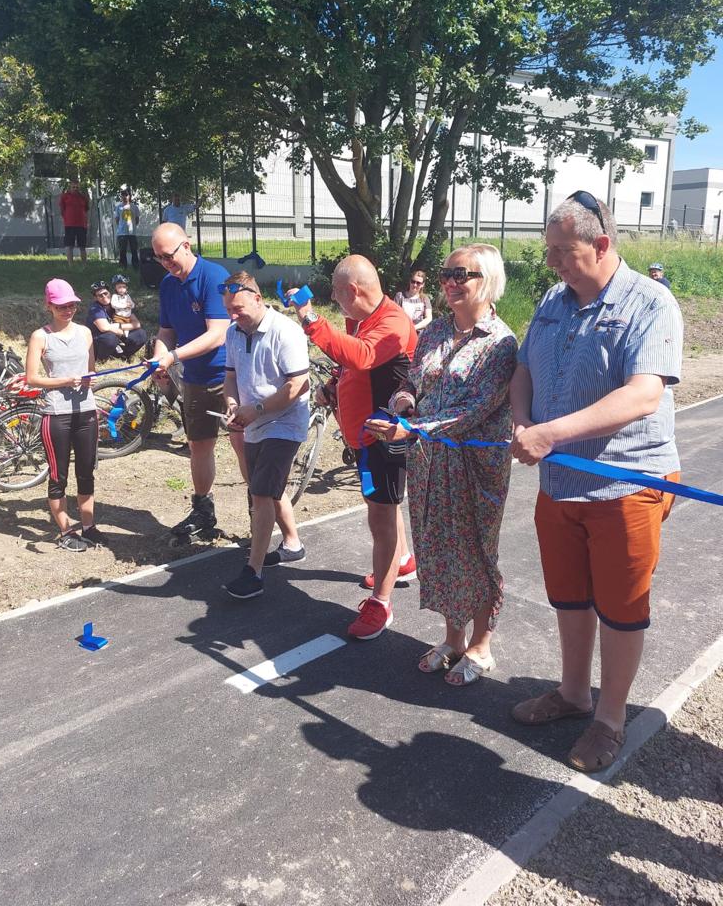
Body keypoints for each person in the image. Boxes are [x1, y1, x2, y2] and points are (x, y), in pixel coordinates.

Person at [509, 191, 683, 773]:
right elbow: (524, 371)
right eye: (549, 251)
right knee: (570, 597)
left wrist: (550, 433)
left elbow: (644, 393)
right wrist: (522, 422)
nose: (552, 262)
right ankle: (573, 692)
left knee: (621, 607)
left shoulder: (649, 302)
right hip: (559, 486)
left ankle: (610, 719)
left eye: (563, 251)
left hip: (624, 485)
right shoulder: (552, 302)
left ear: (601, 244)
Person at [366, 245, 516, 684]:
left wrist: (410, 430)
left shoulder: (501, 343)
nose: (449, 282)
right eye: (445, 274)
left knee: (475, 551)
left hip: (475, 465)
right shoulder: (432, 333)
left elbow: (470, 410)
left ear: (485, 280)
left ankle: (481, 645)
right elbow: (414, 380)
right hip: (430, 462)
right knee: (437, 548)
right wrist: (404, 401)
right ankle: (453, 638)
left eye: (461, 275)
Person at [289, 255, 417, 640]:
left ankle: (381, 602)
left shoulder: (392, 322)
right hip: (365, 437)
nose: (333, 299)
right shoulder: (363, 319)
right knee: (384, 507)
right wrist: (334, 388)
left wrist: (311, 319)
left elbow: (361, 355)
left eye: (336, 293)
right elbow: (353, 366)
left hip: (384, 438)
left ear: (353, 291)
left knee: (380, 516)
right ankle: (404, 561)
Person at [220, 273, 310, 599]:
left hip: (285, 423)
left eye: (239, 308)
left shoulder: (286, 332)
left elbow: (299, 385)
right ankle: (293, 544)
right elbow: (229, 377)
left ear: (258, 299)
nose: (233, 315)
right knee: (269, 489)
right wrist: (232, 403)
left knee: (260, 493)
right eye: (229, 309)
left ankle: (253, 572)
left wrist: (255, 409)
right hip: (254, 422)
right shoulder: (233, 332)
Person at [151, 223, 230, 539]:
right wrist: (160, 358)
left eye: (168, 255)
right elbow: (166, 333)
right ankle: (203, 511)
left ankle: (259, 510)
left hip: (228, 375)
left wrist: (174, 356)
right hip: (194, 378)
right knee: (199, 446)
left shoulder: (213, 277)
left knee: (242, 445)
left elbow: (218, 333)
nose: (165, 263)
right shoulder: (168, 286)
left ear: (186, 245)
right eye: (159, 258)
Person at [25, 278, 108, 551]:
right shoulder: (41, 336)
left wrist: (88, 379)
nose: (68, 310)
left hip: (86, 411)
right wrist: (64, 381)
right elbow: (32, 378)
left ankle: (88, 526)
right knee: (58, 475)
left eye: (72, 305)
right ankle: (65, 530)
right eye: (61, 306)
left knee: (86, 472)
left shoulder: (85, 333)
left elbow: (91, 369)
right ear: (48, 306)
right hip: (56, 415)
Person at [86, 280, 147, 361]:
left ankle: (124, 355)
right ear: (95, 298)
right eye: (100, 295)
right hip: (100, 340)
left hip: (118, 336)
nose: (104, 297)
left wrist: (120, 326)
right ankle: (101, 359)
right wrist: (121, 333)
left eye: (105, 293)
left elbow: (137, 324)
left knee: (140, 334)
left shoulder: (118, 303)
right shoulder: (95, 309)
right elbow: (103, 328)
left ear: (110, 293)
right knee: (110, 337)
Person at [59, 181, 90, 267]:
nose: (75, 189)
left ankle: (84, 265)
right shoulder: (65, 196)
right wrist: (66, 218)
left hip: (82, 225)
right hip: (69, 225)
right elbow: (62, 210)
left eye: (77, 187)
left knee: (82, 246)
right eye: (73, 187)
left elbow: (86, 209)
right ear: (70, 188)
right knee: (69, 245)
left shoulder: (83, 197)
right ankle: (70, 265)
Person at [114, 185, 140, 270]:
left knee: (134, 250)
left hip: (132, 233)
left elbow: (136, 219)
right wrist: (122, 227)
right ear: (121, 196)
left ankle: (135, 265)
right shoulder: (118, 207)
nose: (124, 197)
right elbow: (117, 219)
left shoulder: (134, 207)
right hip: (122, 233)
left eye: (126, 195)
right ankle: (122, 266)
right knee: (122, 251)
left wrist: (132, 228)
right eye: (123, 195)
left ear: (129, 196)